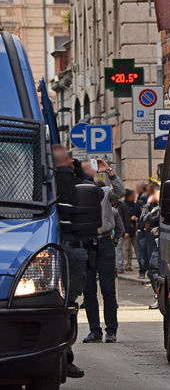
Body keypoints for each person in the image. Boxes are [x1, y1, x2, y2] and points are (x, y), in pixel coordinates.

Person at [52, 145, 101, 379]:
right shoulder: (77, 185)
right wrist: (80, 173)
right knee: (67, 307)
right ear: (71, 164)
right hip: (71, 251)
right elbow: (97, 193)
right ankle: (65, 358)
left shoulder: (41, 186)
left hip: (41, 251)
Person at [80, 158, 125, 344]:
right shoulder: (78, 194)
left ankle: (111, 331)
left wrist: (110, 171)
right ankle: (94, 330)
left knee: (108, 289)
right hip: (87, 243)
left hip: (105, 242)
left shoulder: (106, 193)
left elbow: (120, 192)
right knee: (89, 290)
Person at [122, 189, 139, 272]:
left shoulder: (135, 205)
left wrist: (136, 219)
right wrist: (125, 231)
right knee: (126, 248)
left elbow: (139, 214)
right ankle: (127, 264)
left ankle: (140, 263)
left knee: (137, 248)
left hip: (134, 230)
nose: (134, 197)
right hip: (126, 230)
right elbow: (123, 218)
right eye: (132, 196)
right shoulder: (123, 205)